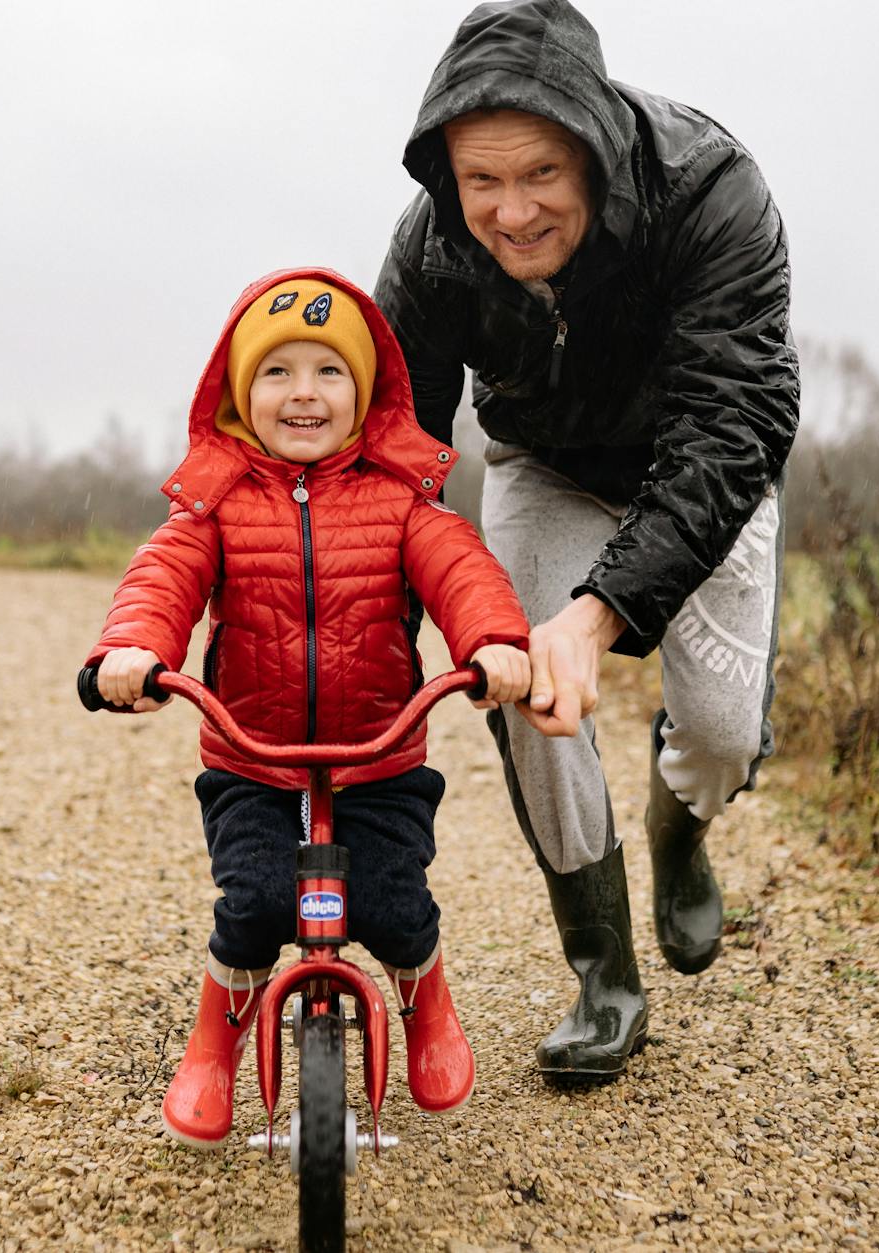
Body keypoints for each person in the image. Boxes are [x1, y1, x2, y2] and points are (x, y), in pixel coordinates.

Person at [375, 0, 800, 1080]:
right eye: (481, 182)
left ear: (594, 152)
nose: (509, 214)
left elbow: (734, 421)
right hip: (543, 465)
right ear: (446, 173)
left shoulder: (711, 191)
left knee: (715, 730)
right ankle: (603, 969)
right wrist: (377, 628)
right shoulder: (430, 249)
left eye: (539, 177)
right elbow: (397, 448)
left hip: (698, 467)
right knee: (525, 688)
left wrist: (599, 611)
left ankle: (679, 830)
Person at [84, 269, 533, 1147]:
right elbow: (162, 577)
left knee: (396, 904)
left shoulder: (402, 500)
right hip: (253, 761)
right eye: (278, 371)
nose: (304, 393)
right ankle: (215, 1042)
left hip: (380, 756)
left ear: (363, 395)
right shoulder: (214, 506)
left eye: (329, 372)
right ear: (240, 393)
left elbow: (461, 569)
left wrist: (493, 642)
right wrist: (132, 650)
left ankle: (425, 998)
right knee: (252, 904)